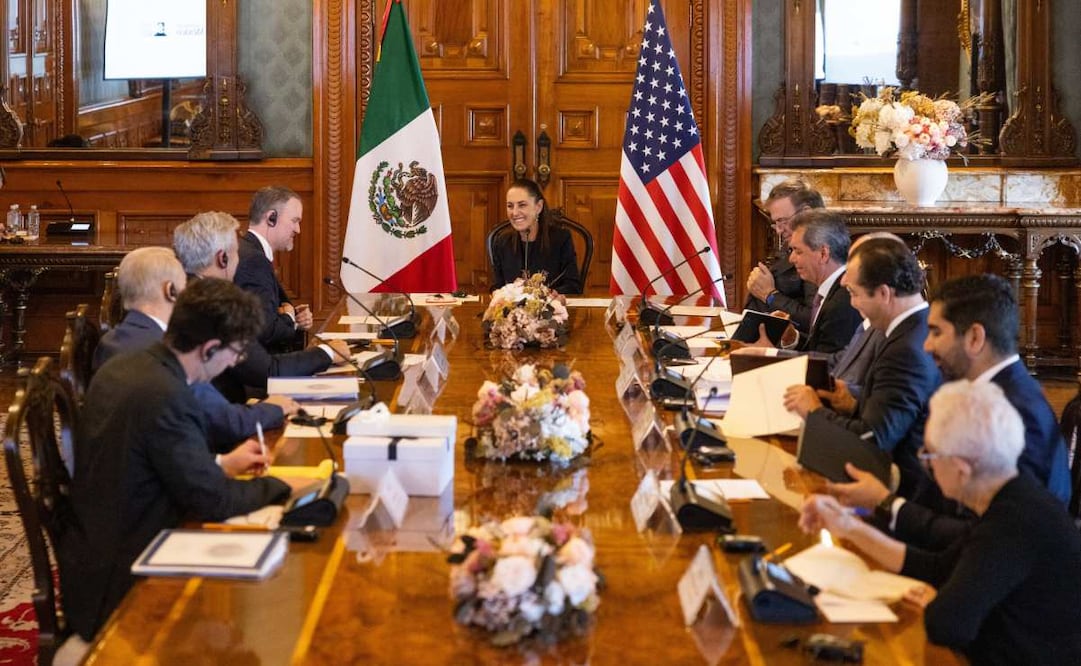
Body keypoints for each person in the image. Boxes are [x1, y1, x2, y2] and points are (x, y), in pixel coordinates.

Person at [59, 278, 307, 641]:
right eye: (236, 353)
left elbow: (150, 461)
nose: (235, 362)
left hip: (97, 551)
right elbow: (213, 500)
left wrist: (221, 465)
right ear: (209, 349)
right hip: (123, 581)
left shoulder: (131, 365)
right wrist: (285, 485)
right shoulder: (167, 394)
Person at [799, 381, 1081, 665]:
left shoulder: (1013, 521)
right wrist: (848, 526)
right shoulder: (1010, 497)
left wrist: (939, 601)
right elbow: (937, 566)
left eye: (930, 454)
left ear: (961, 468)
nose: (927, 465)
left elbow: (946, 625)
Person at [828, 274, 1072, 548]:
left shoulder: (1016, 414)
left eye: (936, 332)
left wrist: (887, 507)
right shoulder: (983, 392)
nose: (926, 346)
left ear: (975, 338)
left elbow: (994, 537)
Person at [93, 245, 298, 450]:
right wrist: (273, 409)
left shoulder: (114, 340)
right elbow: (220, 420)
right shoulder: (161, 347)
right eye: (185, 287)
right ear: (171, 291)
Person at [783, 237, 941, 498]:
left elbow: (873, 439)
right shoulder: (912, 329)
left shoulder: (906, 350)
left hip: (899, 492)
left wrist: (814, 412)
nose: (853, 304)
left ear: (884, 293)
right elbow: (892, 418)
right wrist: (853, 405)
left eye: (854, 294)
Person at [174, 211, 350, 400]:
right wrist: (328, 353)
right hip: (224, 409)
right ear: (222, 258)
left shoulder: (179, 292)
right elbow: (267, 371)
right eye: (236, 252)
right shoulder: (213, 305)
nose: (239, 259)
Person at [756, 209, 861, 354]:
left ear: (823, 253)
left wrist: (771, 353)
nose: (791, 259)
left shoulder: (842, 301)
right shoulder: (833, 291)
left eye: (798, 251)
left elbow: (827, 364)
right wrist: (792, 338)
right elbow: (819, 348)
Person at [234, 186, 312, 352]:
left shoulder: (250, 251)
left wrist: (294, 317)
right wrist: (289, 318)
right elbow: (265, 330)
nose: (298, 230)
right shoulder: (254, 260)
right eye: (294, 221)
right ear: (271, 218)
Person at [744, 178, 822, 331]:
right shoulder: (789, 248)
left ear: (806, 213)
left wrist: (770, 295)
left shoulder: (819, 255)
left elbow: (814, 319)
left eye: (782, 221)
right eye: (776, 223)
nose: (779, 230)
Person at [490, 178, 582, 294]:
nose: (514, 213)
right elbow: (496, 287)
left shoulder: (561, 239)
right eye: (510, 206)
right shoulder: (501, 242)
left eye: (522, 205)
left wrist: (546, 293)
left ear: (538, 206)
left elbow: (573, 286)